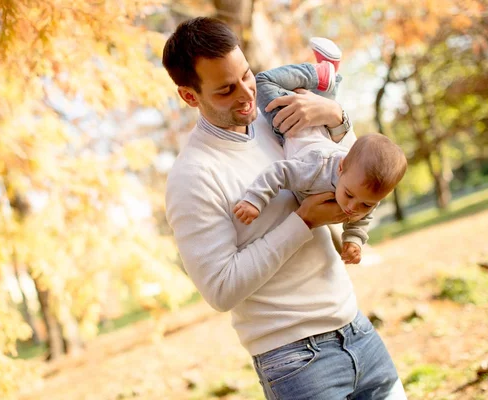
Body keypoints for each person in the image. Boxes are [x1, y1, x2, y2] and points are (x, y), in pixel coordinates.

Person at [162, 16, 407, 399]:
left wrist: (338, 120)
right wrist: (304, 220)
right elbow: (220, 290)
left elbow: (350, 171)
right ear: (190, 96)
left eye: (247, 75)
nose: (247, 95)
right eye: (226, 90)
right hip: (295, 362)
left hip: (357, 329)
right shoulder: (192, 177)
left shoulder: (277, 117)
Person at [233, 43, 408, 264]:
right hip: (292, 126)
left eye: (366, 204)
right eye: (350, 195)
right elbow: (279, 172)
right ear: (341, 167)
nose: (352, 208)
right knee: (262, 83)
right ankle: (317, 74)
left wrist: (354, 240)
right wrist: (254, 200)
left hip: (322, 130)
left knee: (323, 99)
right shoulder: (317, 170)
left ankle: (329, 77)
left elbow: (362, 219)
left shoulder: (363, 193)